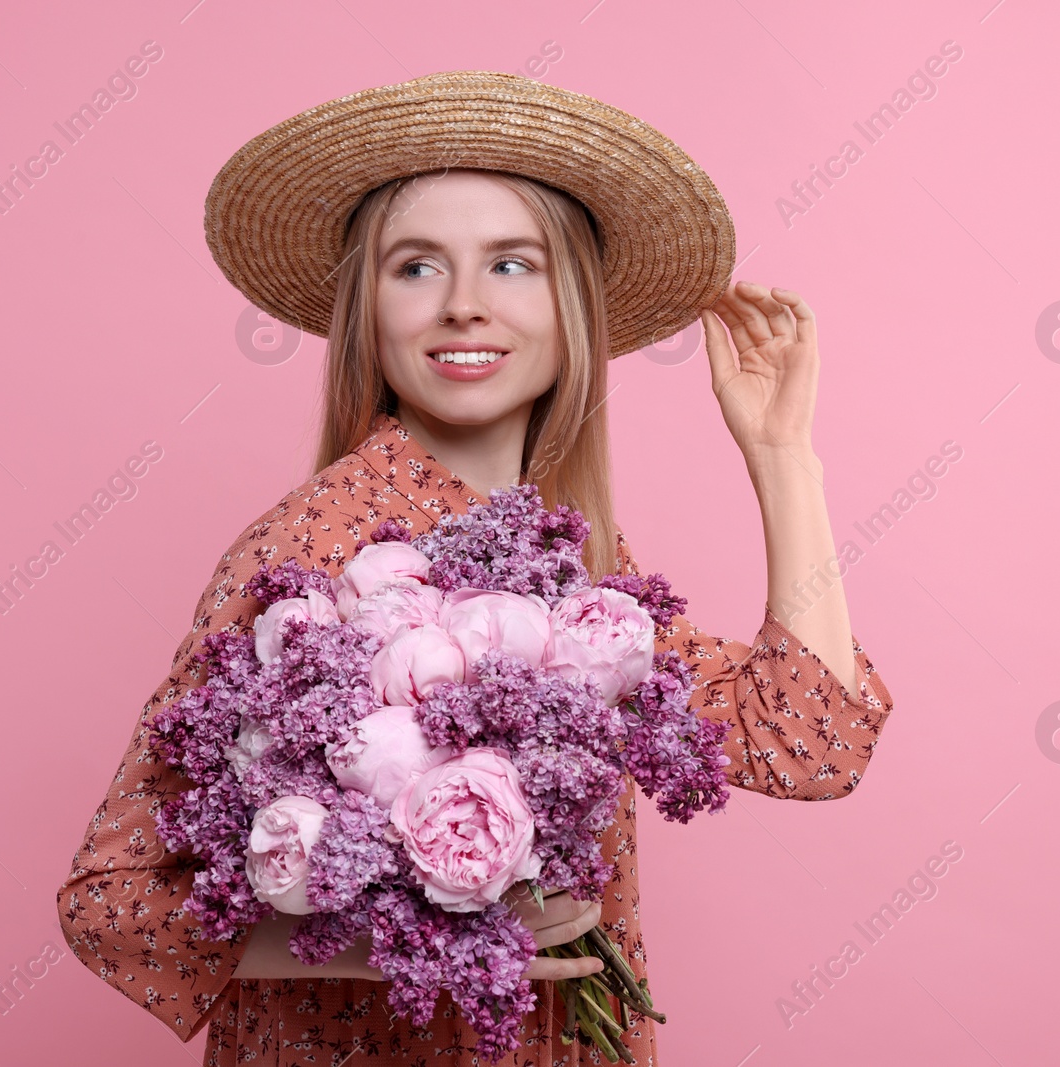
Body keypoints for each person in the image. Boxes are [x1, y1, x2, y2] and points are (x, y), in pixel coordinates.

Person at [57, 71, 894, 1065]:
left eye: (511, 265)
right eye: (415, 268)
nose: (461, 305)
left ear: (573, 300)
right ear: (365, 307)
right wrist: (427, 926)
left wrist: (781, 455)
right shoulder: (313, 550)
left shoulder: (575, 555)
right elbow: (113, 898)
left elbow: (809, 742)